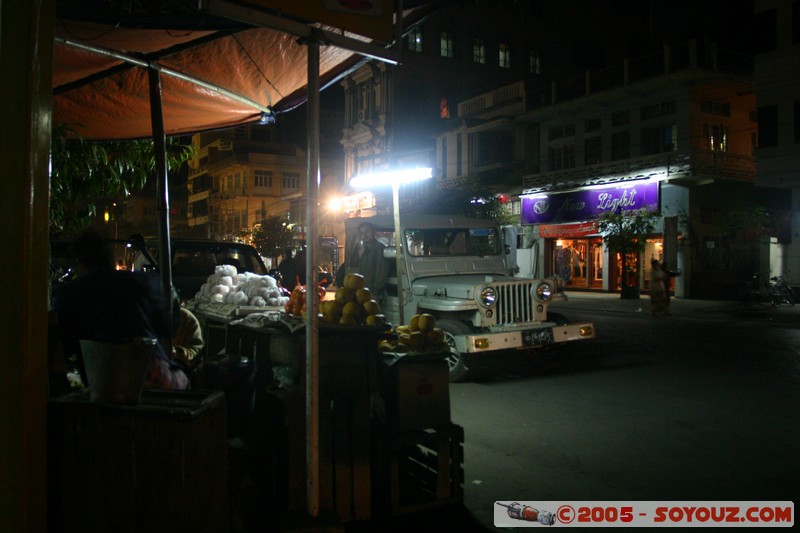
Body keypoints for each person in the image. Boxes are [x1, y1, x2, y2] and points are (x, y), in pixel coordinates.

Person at [53, 228, 189, 390]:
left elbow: (63, 345)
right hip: (155, 377)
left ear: (79, 262)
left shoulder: (69, 293)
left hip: (102, 385)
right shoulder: (144, 282)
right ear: (109, 258)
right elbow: (170, 326)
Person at [353, 221, 390, 302]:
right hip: (365, 292)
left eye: (367, 232)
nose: (365, 235)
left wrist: (376, 292)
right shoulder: (364, 250)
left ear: (373, 232)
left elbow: (382, 272)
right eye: (362, 233)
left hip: (374, 294)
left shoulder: (379, 249)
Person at [170, 302, 204, 388]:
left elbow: (195, 351)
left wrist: (180, 352)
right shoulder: (146, 317)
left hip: (179, 371)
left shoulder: (186, 318)